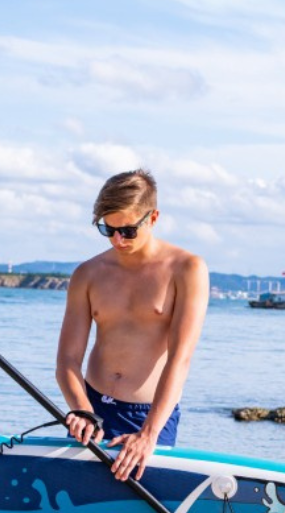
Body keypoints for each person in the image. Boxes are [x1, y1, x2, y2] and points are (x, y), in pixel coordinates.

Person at [56, 169, 209, 482]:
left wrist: (148, 434)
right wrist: (82, 410)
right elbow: (67, 361)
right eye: (106, 229)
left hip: (150, 416)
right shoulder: (87, 274)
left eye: (127, 231)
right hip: (92, 409)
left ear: (152, 219)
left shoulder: (187, 269)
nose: (117, 240)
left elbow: (181, 360)